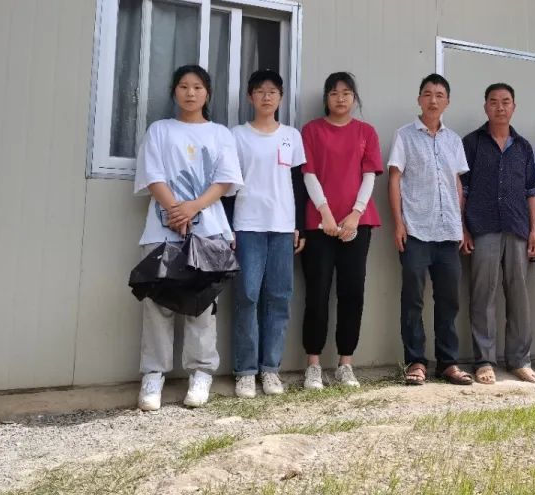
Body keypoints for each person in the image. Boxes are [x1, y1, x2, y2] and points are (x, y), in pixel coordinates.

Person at [134, 64, 243, 411]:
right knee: (157, 302)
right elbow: (152, 174)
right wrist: (174, 210)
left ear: (207, 93)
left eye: (197, 86)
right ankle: (154, 374)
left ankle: (201, 373)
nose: (190, 92)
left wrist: (192, 208)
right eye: (183, 86)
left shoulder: (220, 134)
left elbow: (225, 180)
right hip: (161, 228)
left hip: (208, 229)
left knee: (202, 304)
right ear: (174, 91)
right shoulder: (160, 130)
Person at [388, 74, 474, 386]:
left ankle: (447, 363)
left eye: (439, 95)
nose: (433, 100)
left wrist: (462, 226)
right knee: (413, 299)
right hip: (416, 231)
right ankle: (416, 362)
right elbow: (394, 179)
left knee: (449, 301)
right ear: (419, 99)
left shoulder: (454, 140)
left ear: (447, 101)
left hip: (449, 232)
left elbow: (457, 184)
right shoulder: (404, 135)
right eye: (427, 94)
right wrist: (399, 223)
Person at [300, 72, 383, 389]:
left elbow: (370, 175)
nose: (340, 98)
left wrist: (355, 214)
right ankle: (313, 364)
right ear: (326, 98)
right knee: (317, 292)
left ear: (354, 98)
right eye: (334, 93)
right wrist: (325, 213)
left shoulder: (366, 132)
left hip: (356, 224)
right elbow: (308, 173)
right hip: (319, 223)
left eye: (347, 92)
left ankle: (345, 363)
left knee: (352, 293)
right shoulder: (311, 130)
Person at [230, 70, 306, 399]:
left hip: (282, 226)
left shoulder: (291, 136)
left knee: (279, 298)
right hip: (247, 225)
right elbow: (228, 185)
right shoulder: (237, 135)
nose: (266, 97)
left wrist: (299, 224)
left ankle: (270, 368)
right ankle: (246, 371)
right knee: (247, 296)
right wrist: (228, 227)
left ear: (281, 98)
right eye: (260, 91)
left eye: (272, 91)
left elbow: (299, 182)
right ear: (250, 97)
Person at [462, 83, 535, 384]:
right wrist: (463, 228)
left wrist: (533, 231)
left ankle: (519, 359)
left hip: (518, 228)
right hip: (482, 227)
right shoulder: (472, 143)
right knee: (483, 295)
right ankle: (484, 360)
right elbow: (462, 189)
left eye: (506, 102)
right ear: (485, 106)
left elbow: (531, 191)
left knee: (519, 296)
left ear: (514, 107)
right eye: (493, 102)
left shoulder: (523, 147)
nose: (500, 107)